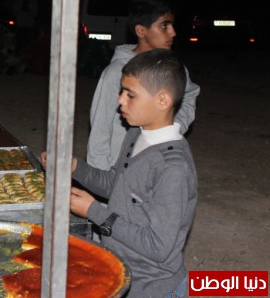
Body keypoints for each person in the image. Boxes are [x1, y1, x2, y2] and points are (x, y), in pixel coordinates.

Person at [55, 49, 197, 297]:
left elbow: (158, 246)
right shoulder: (136, 135)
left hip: (152, 288)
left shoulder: (173, 168)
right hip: (121, 273)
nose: (120, 100)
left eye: (130, 94)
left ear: (163, 101)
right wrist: (76, 166)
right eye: (122, 91)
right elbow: (114, 184)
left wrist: (94, 212)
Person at [87, 0, 200, 170]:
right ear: (141, 31)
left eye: (172, 25)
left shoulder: (172, 67)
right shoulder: (116, 72)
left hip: (157, 164)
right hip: (120, 169)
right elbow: (100, 128)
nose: (173, 32)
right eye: (164, 26)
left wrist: (173, 128)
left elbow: (189, 94)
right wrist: (100, 175)